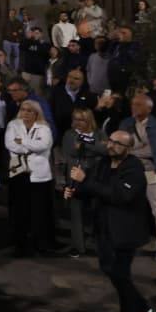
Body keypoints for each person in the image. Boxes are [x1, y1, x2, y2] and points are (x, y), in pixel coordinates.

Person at [66, 129, 154, 312]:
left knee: (120, 274)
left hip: (126, 231)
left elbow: (119, 195)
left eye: (118, 143)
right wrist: (76, 191)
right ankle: (142, 307)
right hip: (104, 228)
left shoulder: (134, 169)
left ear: (128, 148)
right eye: (111, 141)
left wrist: (85, 180)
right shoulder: (104, 163)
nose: (111, 145)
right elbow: (93, 190)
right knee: (109, 269)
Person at [122, 92, 156, 263]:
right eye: (133, 104)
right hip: (130, 172)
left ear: (149, 108)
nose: (134, 107)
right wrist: (142, 151)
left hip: (153, 173)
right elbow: (119, 147)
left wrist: (136, 152)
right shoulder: (126, 123)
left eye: (138, 104)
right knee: (128, 208)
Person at [6, 100, 57, 257]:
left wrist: (23, 142)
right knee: (19, 212)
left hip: (39, 176)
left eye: (29, 110)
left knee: (39, 212)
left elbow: (44, 145)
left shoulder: (44, 127)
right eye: (23, 109)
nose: (25, 113)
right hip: (18, 173)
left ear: (36, 113)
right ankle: (20, 246)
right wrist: (30, 146)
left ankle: (40, 245)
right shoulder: (13, 125)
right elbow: (10, 144)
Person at [59, 106, 107, 257]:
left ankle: (98, 245)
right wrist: (95, 147)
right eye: (75, 119)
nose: (78, 122)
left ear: (89, 120)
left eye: (82, 119)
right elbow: (72, 151)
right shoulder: (69, 134)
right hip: (75, 179)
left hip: (96, 177)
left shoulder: (100, 133)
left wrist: (84, 145)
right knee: (76, 213)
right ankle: (78, 247)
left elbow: (107, 150)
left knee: (97, 212)